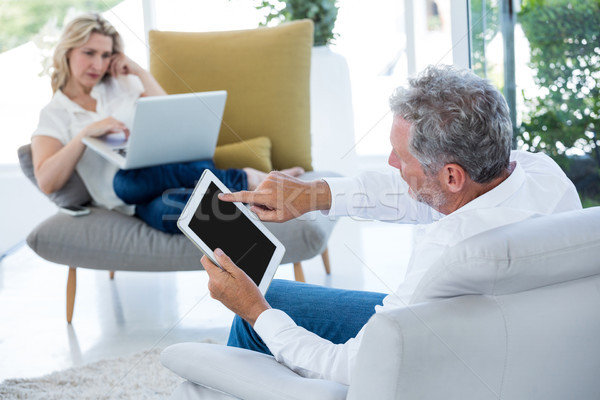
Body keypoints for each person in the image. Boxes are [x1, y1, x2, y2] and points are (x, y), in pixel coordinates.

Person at [200, 65, 582, 385]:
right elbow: (417, 194)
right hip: (494, 340)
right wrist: (315, 194)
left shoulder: (453, 251)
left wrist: (254, 311)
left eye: (401, 156)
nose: (390, 163)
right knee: (277, 294)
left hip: (440, 362)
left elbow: (349, 367)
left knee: (260, 310)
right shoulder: (539, 173)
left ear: (451, 175)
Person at [31, 13, 303, 233]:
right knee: (163, 210)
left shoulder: (120, 84)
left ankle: (245, 181)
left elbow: (173, 114)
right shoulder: (54, 114)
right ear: (67, 51)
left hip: (180, 167)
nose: (98, 64)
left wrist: (138, 70)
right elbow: (47, 181)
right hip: (133, 198)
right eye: (89, 53)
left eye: (105, 55)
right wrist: (85, 135)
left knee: (138, 181)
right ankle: (247, 188)